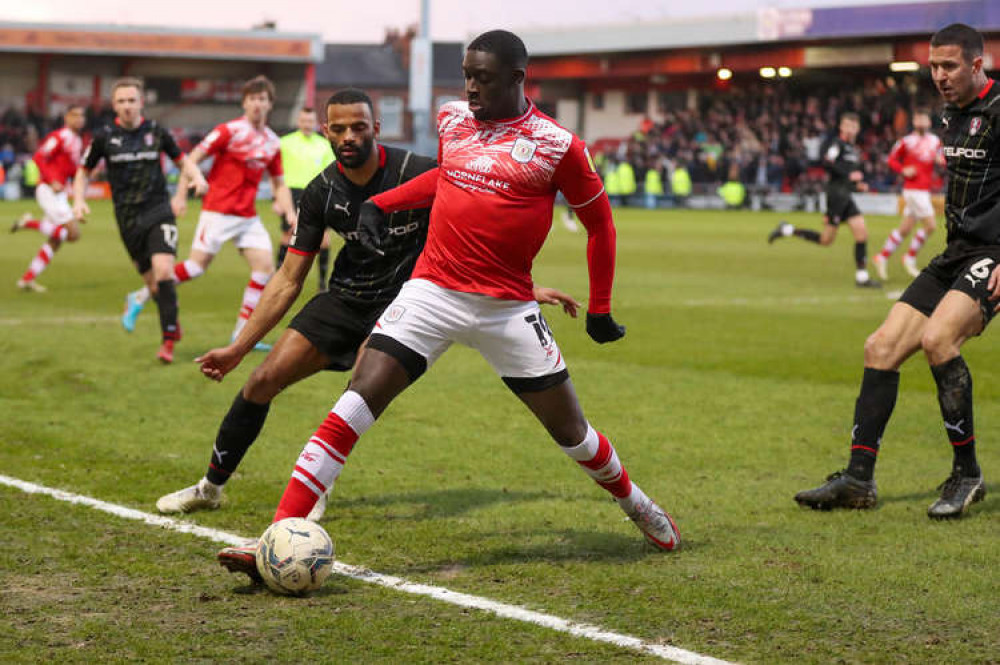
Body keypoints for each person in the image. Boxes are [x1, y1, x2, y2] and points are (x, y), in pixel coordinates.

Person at [217, 30, 680, 580]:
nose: (471, 86)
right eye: (467, 75)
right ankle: (274, 537)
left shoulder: (558, 145)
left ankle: (636, 504)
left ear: (516, 78)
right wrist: (380, 205)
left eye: (483, 77)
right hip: (431, 291)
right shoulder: (453, 119)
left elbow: (601, 227)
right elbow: (447, 178)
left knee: (573, 435)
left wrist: (600, 308)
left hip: (506, 309)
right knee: (355, 402)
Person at [155, 88, 578, 517]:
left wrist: (525, 288)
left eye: (359, 127)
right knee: (262, 381)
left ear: (375, 128)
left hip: (409, 301)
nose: (349, 136)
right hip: (344, 298)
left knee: (357, 391)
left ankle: (318, 481)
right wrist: (238, 348)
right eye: (338, 129)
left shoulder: (418, 171)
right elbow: (287, 279)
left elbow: (480, 231)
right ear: (326, 132)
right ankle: (210, 487)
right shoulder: (321, 192)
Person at [794, 23, 993, 519]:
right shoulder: (950, 115)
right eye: (933, 67)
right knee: (880, 348)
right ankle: (858, 480)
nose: (940, 76)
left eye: (949, 66)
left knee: (938, 341)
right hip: (955, 253)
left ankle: (966, 474)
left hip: (994, 255)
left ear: (976, 63)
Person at [121, 76, 295, 351]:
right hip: (218, 211)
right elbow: (191, 158)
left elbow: (279, 184)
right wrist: (180, 194)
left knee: (264, 268)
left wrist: (290, 212)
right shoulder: (229, 130)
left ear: (270, 104)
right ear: (244, 102)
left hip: (247, 216)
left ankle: (242, 334)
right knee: (195, 268)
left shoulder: (273, 142)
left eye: (262, 99)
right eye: (252, 99)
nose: (257, 104)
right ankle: (140, 296)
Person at [71, 78, 208, 363]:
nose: (127, 106)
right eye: (121, 101)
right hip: (127, 218)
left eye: (132, 100)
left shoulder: (157, 132)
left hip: (158, 209)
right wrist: (79, 200)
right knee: (155, 285)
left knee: (164, 270)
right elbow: (83, 172)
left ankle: (167, 341)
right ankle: (172, 318)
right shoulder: (104, 137)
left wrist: (197, 177)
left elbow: (182, 160)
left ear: (141, 102)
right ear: (114, 105)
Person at [768, 112, 881, 288]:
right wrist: (849, 175)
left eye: (854, 126)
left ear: (858, 129)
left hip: (846, 195)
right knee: (826, 240)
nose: (851, 129)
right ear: (841, 127)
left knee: (861, 233)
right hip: (836, 196)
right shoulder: (837, 144)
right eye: (847, 125)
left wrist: (856, 186)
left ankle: (862, 277)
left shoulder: (853, 149)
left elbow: (845, 177)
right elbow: (827, 162)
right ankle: (787, 230)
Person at [10, 105, 85, 292]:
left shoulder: (76, 140)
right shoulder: (60, 136)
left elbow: (71, 169)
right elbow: (38, 156)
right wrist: (51, 180)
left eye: (82, 116)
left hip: (58, 193)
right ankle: (28, 223)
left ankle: (27, 279)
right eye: (74, 115)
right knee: (72, 234)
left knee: (56, 240)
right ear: (66, 117)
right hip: (48, 189)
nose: (79, 119)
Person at [873, 110, 943, 280]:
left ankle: (881, 257)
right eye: (918, 118)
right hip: (914, 190)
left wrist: (941, 161)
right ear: (914, 121)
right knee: (931, 225)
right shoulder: (906, 141)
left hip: (924, 189)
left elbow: (941, 159)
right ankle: (909, 257)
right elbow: (891, 159)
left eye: (923, 118)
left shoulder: (935, 141)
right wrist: (903, 170)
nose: (921, 121)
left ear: (928, 121)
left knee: (905, 229)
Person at [275, 106, 335, 290]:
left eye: (310, 121)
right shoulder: (285, 143)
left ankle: (322, 283)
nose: (307, 124)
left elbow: (331, 174)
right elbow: (274, 173)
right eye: (304, 120)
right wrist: (276, 198)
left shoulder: (324, 144)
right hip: (291, 192)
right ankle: (277, 279)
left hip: (317, 193)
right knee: (288, 235)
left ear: (316, 123)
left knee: (324, 238)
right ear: (298, 122)